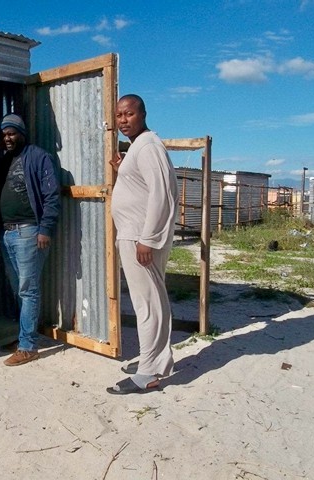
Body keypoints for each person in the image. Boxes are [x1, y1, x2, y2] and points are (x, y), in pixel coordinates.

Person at [107, 94, 178, 394]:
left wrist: (147, 239)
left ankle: (148, 372)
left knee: (148, 304)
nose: (124, 120)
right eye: (119, 115)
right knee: (145, 303)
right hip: (134, 235)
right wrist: (123, 167)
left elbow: (162, 194)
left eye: (130, 114)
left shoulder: (148, 146)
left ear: (144, 114)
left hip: (140, 238)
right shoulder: (139, 147)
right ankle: (151, 362)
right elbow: (140, 186)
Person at [0, 113, 61, 366]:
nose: (7, 138)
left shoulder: (39, 157)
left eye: (12, 133)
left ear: (22, 134)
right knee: (18, 288)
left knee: (28, 290)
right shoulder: (4, 161)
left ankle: (28, 346)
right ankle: (24, 337)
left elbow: (52, 196)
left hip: (29, 232)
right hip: (7, 233)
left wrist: (45, 229)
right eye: (4, 134)